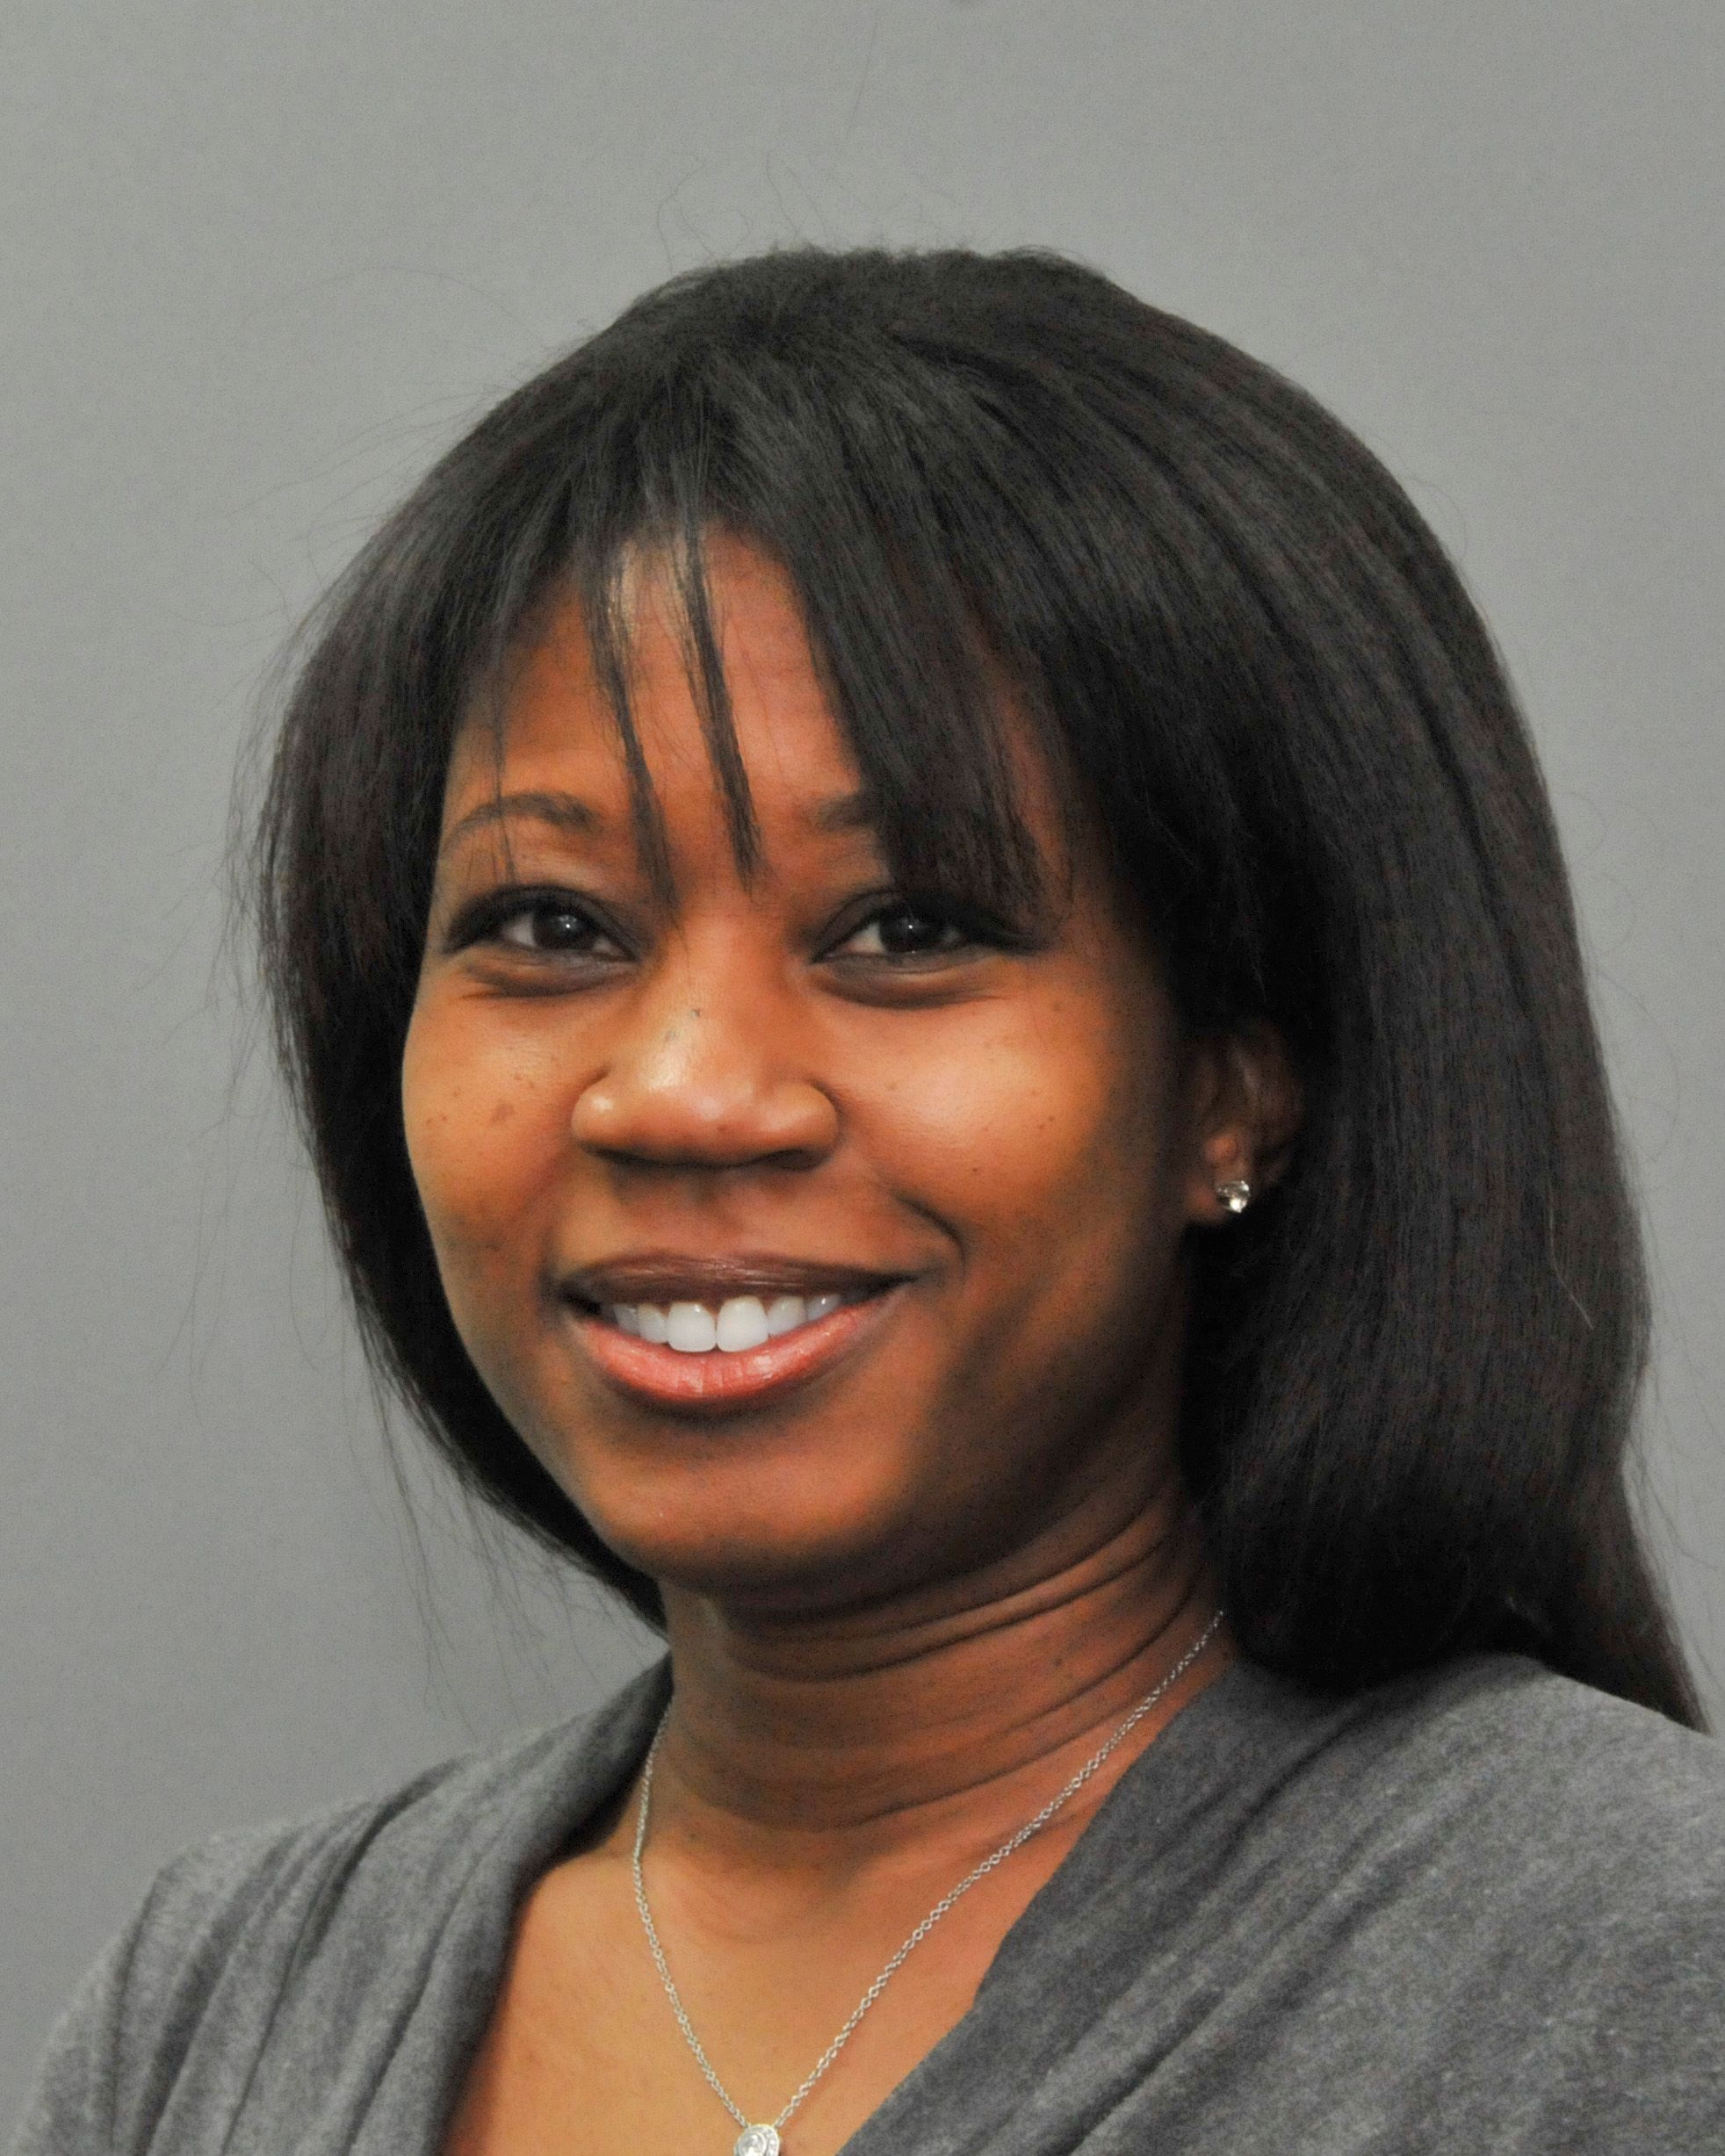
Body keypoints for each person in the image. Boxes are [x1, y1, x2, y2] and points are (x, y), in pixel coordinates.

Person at [12, 245, 1723, 2156]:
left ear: (1238, 1080)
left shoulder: (1630, 1972)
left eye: (907, 929)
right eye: (551, 925)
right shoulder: (219, 2015)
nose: (681, 1091)